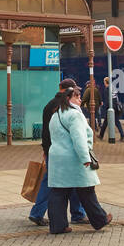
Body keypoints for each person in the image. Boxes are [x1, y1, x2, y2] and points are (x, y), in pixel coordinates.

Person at [45, 84, 113, 234]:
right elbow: (79, 138)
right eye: (77, 96)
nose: (80, 99)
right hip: (73, 158)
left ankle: (58, 226)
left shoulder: (56, 114)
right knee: (87, 190)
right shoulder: (74, 115)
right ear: (69, 98)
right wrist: (85, 157)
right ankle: (99, 219)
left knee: (59, 192)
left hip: (57, 158)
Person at [29, 78, 86, 225]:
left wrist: (45, 149)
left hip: (53, 150)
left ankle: (77, 213)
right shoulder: (63, 106)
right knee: (53, 183)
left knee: (64, 182)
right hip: (63, 151)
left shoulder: (50, 105)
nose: (77, 95)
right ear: (67, 91)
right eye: (74, 92)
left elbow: (45, 131)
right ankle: (38, 212)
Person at [98, 75, 124, 142]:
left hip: (111, 107)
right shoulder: (113, 87)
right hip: (115, 106)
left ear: (105, 82)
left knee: (107, 121)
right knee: (114, 121)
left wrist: (106, 107)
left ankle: (101, 136)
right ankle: (122, 135)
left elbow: (107, 100)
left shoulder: (107, 88)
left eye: (104, 82)